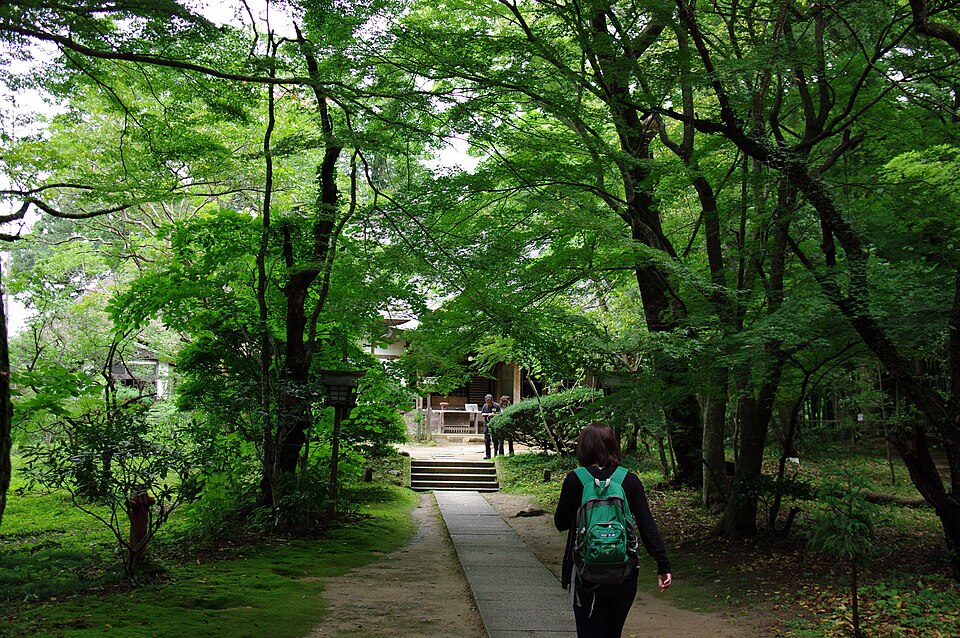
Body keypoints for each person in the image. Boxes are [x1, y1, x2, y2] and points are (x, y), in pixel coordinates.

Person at [554, 422, 672, 638]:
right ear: (612, 446)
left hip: (584, 575)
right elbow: (647, 526)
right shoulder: (629, 480)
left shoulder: (575, 479)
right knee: (612, 633)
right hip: (623, 573)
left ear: (583, 448)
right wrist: (662, 564)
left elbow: (560, 523)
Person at [480, 394, 501, 459]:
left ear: (492, 400)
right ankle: (488, 455)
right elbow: (482, 413)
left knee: (495, 440)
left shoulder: (496, 405)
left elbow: (500, 414)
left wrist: (493, 415)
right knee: (487, 440)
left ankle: (495, 454)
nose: (488, 403)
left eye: (489, 401)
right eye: (487, 401)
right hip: (487, 425)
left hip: (494, 425)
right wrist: (485, 415)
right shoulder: (485, 406)